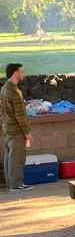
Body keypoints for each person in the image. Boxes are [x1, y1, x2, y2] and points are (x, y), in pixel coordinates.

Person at [2, 63, 33, 191]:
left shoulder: (4, 89)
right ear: (15, 73)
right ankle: (16, 184)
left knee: (9, 156)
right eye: (22, 72)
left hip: (7, 129)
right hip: (16, 131)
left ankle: (10, 183)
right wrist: (27, 133)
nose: (23, 74)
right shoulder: (15, 92)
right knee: (17, 158)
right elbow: (20, 115)